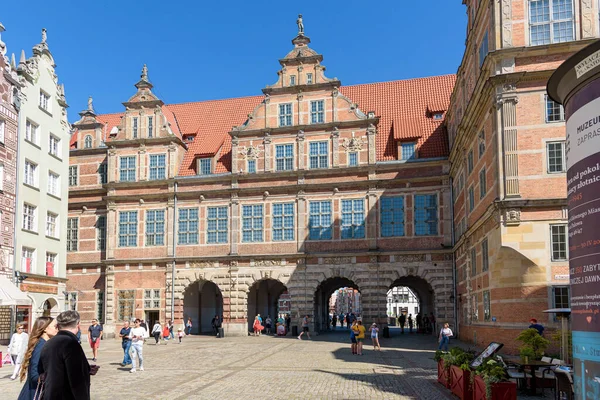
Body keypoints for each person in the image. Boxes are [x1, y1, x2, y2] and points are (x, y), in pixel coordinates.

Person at [39, 310, 97, 399]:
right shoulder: (71, 344)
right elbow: (77, 380)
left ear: (58, 326)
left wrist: (86, 369)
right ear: (78, 325)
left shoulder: (48, 343)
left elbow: (47, 369)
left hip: (50, 394)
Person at [17, 317, 58, 400]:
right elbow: (34, 375)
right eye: (55, 326)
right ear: (45, 329)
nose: (57, 329)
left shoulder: (45, 344)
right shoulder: (41, 346)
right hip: (35, 393)